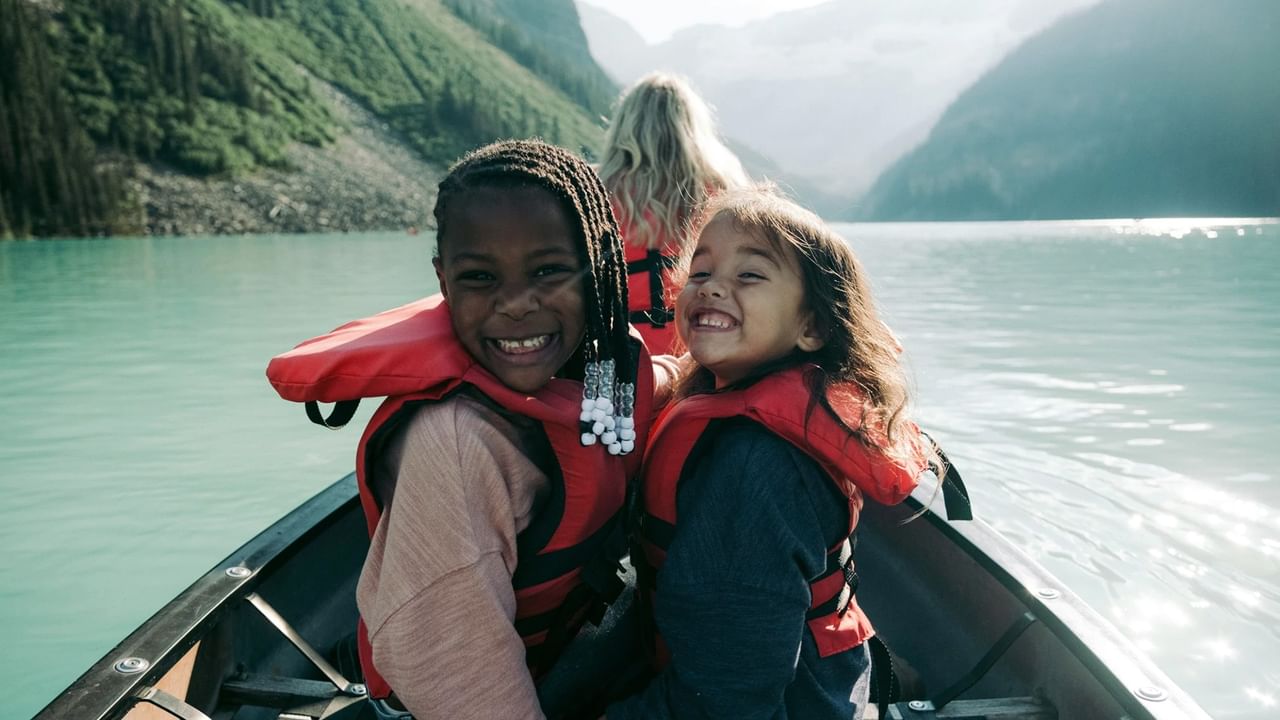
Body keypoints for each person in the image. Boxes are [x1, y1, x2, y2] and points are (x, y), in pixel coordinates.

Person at [267, 140, 677, 719]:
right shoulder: (455, 443)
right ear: (443, 279)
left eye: (549, 270)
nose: (514, 304)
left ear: (601, 266)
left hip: (572, 661)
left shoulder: (601, 364)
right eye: (480, 277)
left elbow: (663, 381)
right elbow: (457, 677)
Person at [607, 187, 940, 719]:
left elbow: (729, 697)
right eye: (700, 273)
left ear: (813, 327)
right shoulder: (734, 399)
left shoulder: (751, 467)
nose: (712, 288)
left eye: (749, 276)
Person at [598, 72, 748, 355]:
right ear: (693, 126)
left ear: (625, 127)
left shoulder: (596, 194)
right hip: (705, 353)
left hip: (622, 358)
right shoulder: (726, 190)